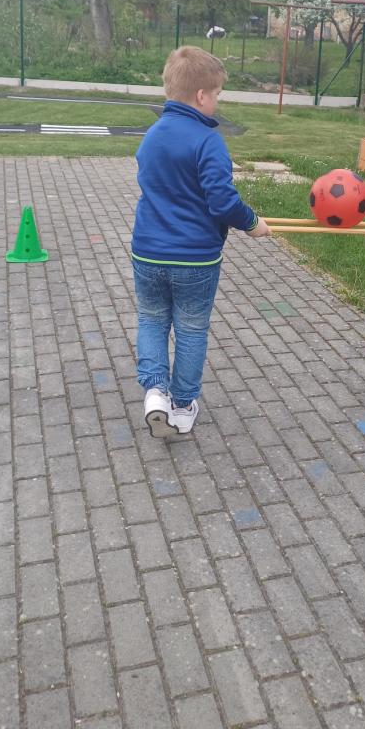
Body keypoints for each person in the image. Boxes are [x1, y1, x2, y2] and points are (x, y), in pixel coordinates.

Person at [131, 45, 269, 437]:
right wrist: (252, 223)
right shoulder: (209, 141)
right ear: (201, 96)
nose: (218, 101)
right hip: (195, 260)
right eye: (218, 94)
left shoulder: (152, 136)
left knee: (152, 319)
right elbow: (222, 201)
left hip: (147, 253)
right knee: (191, 329)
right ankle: (181, 405)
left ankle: (155, 392)